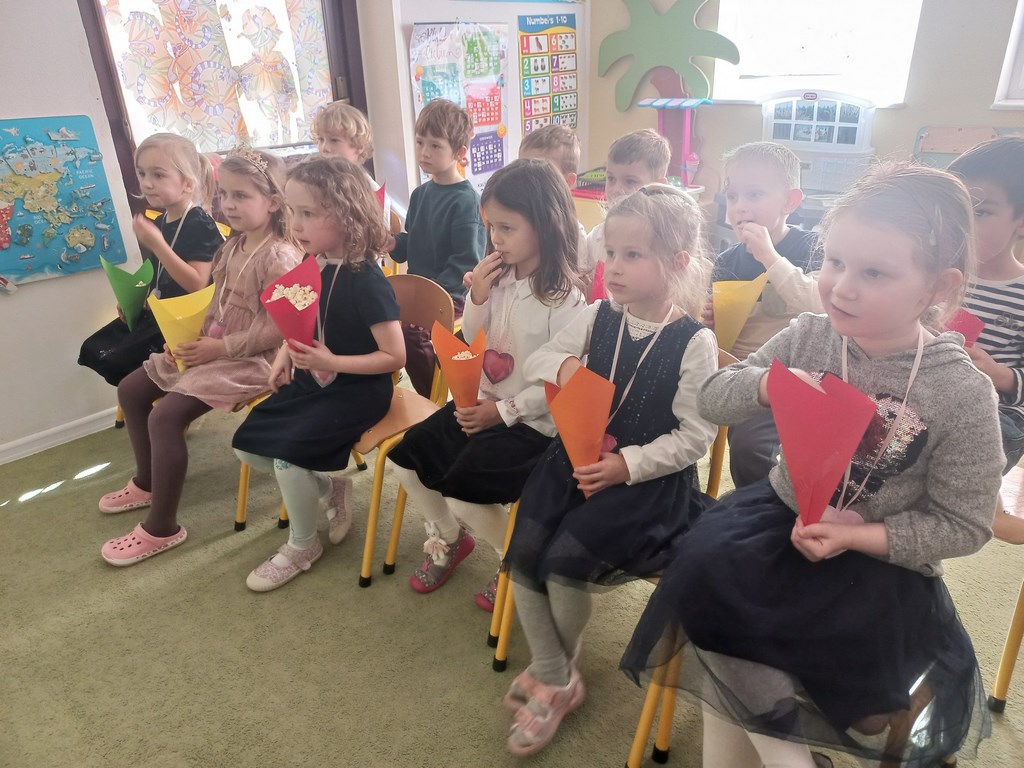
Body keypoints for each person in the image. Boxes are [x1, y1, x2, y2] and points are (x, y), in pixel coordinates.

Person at [620, 163, 1004, 768]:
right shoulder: (809, 335)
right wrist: (768, 386)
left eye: (874, 272)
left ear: (937, 287)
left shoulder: (962, 392)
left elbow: (965, 524)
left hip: (877, 566)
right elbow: (713, 397)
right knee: (707, 591)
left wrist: (860, 534)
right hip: (775, 521)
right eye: (835, 262)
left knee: (778, 647)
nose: (842, 287)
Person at [501, 184, 718, 756]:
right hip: (573, 460)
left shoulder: (694, 341)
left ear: (677, 263)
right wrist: (567, 368)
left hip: (644, 485)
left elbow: (695, 437)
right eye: (611, 252)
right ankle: (557, 673)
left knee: (563, 565)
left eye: (632, 255)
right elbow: (541, 359)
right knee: (524, 555)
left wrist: (627, 465)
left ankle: (553, 676)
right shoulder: (599, 314)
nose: (612, 267)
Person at [388, 158, 587, 610]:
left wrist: (502, 412)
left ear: (546, 224)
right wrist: (477, 294)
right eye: (491, 226)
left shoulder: (566, 299)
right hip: (481, 403)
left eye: (507, 227)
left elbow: (560, 384)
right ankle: (450, 538)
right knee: (406, 460)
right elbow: (473, 339)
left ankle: (515, 560)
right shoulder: (497, 276)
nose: (495, 238)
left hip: (534, 425)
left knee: (464, 493)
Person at [98, 149, 302, 566]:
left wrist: (220, 348)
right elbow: (215, 303)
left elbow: (281, 329)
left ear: (273, 201)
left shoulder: (280, 257)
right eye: (225, 194)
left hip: (258, 359)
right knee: (131, 389)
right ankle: (147, 481)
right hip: (215, 345)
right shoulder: (233, 245)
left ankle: (162, 528)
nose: (229, 204)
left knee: (165, 417)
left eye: (241, 195)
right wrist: (187, 339)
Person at [232, 155, 404, 591]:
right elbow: (303, 324)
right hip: (316, 380)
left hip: (359, 389)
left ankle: (303, 545)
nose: (295, 224)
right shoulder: (312, 266)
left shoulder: (368, 281)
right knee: (248, 447)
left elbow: (394, 357)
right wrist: (284, 354)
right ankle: (331, 489)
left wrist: (332, 363)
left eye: (308, 213)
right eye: (292, 211)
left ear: (347, 215)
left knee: (288, 457)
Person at [704, 141, 822, 488]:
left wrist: (770, 258)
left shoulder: (812, 249)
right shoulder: (726, 261)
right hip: (742, 377)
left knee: (753, 447)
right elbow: (720, 339)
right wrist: (708, 320)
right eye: (733, 196)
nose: (740, 207)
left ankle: (771, 504)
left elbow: (821, 307)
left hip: (798, 376)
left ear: (790, 202)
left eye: (754, 194)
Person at [78, 133, 223, 385]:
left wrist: (157, 243)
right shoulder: (160, 221)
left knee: (116, 361)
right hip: (158, 312)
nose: (146, 183)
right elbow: (159, 273)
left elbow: (197, 284)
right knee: (93, 348)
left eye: (158, 175)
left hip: (186, 322)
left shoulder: (199, 223)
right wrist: (136, 300)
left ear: (187, 184)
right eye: (142, 173)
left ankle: (163, 392)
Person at [388, 98, 486, 396]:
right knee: (377, 318)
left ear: (459, 153)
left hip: (451, 295)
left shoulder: (466, 201)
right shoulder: (420, 195)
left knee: (411, 334)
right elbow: (409, 245)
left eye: (435, 145)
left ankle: (433, 396)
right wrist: (391, 242)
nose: (424, 152)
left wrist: (426, 296)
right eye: (420, 142)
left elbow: (465, 263)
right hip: (419, 289)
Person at [584, 129, 671, 301]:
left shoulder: (666, 242)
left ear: (658, 186)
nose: (616, 190)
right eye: (611, 179)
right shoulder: (597, 237)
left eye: (630, 181)